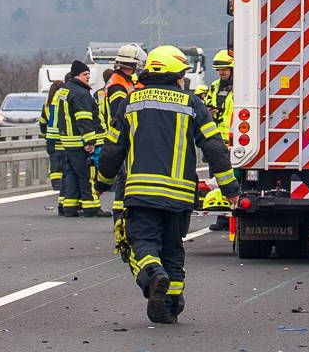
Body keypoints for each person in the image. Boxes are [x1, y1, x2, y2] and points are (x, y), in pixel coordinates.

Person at [94, 45, 233, 323]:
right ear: (175, 75)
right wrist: (230, 189)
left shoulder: (130, 103)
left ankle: (153, 276)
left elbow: (112, 148)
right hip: (180, 196)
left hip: (141, 194)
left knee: (142, 243)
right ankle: (171, 306)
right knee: (173, 247)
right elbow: (215, 146)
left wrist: (102, 182)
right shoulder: (191, 103)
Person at [42, 61, 98, 216]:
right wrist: (90, 141)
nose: (88, 77)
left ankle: (69, 207)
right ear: (77, 75)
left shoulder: (63, 91)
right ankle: (90, 208)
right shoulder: (80, 93)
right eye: (85, 75)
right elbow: (83, 118)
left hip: (65, 140)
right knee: (84, 175)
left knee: (71, 175)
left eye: (88, 74)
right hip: (78, 141)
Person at [92, 48, 140, 210]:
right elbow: (120, 113)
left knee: (125, 177)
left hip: (121, 135)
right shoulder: (118, 85)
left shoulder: (123, 81)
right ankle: (120, 214)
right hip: (121, 136)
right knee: (124, 177)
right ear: (131, 64)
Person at [199, 48, 239, 213]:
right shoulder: (214, 87)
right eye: (219, 70)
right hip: (215, 140)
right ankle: (221, 215)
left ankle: (230, 213)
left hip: (234, 140)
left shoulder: (241, 88)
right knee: (215, 180)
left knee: (230, 179)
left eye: (225, 69)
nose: (221, 73)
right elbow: (205, 107)